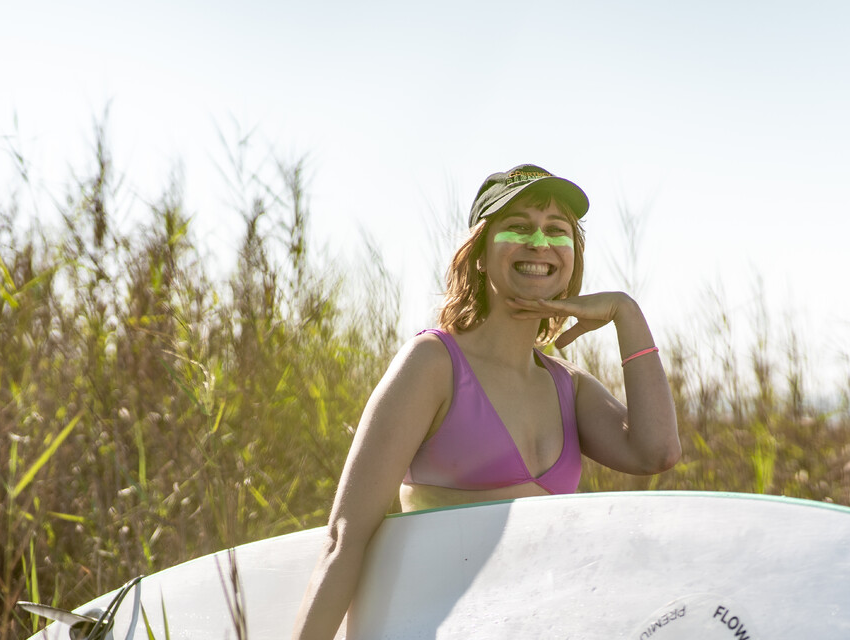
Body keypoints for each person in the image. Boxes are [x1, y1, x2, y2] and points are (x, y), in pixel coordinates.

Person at [291, 164, 681, 639]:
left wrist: (627, 313)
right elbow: (344, 540)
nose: (539, 244)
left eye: (556, 231)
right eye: (517, 226)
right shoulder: (433, 365)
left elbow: (655, 452)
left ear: (572, 257)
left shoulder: (568, 386)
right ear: (478, 252)